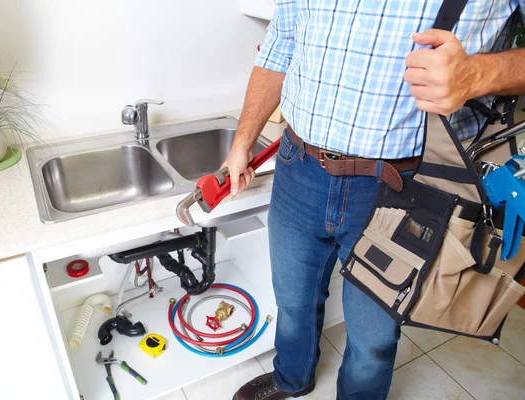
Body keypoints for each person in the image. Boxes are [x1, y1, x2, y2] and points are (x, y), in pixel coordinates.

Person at [225, 1, 525, 399]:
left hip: (406, 184)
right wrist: (243, 141)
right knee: (293, 301)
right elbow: (282, 46)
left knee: (373, 338)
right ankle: (291, 379)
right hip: (298, 164)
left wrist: (479, 74)